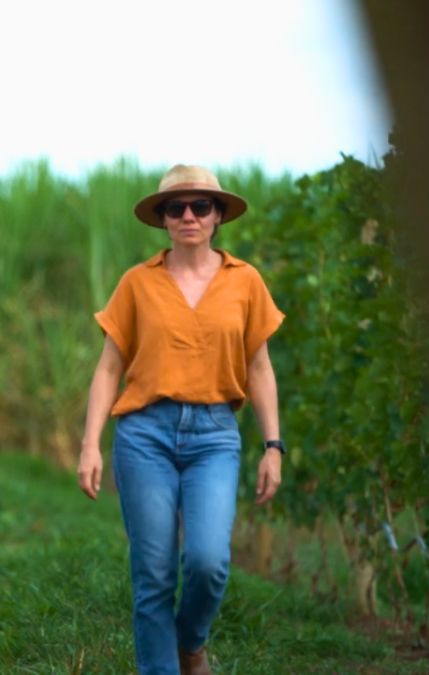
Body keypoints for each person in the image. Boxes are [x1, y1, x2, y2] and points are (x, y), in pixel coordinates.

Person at [76, 165, 285, 675]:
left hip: (214, 437)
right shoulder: (137, 283)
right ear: (163, 219)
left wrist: (273, 447)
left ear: (217, 217)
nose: (189, 216)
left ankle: (190, 643)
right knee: (154, 573)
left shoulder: (245, 281)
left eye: (200, 207)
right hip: (144, 435)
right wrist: (89, 444)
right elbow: (108, 367)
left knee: (209, 562)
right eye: (177, 208)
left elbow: (259, 367)